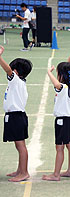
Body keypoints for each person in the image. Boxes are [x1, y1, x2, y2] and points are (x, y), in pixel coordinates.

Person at [0, 45, 32, 182]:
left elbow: (7, 70)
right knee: (18, 145)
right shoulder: (17, 83)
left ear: (16, 72)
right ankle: (20, 170)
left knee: (21, 146)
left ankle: (24, 172)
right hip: (14, 116)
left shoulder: (16, 80)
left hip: (16, 116)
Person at [42, 62, 70, 181]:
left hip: (63, 120)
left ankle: (56, 174)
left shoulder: (64, 87)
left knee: (60, 147)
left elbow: (57, 85)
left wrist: (49, 73)